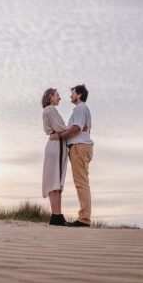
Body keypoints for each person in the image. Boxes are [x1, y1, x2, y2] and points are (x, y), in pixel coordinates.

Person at [50, 84, 93, 227]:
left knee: (81, 183)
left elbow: (76, 128)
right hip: (81, 147)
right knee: (82, 183)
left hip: (79, 148)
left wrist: (60, 135)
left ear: (79, 95)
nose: (70, 96)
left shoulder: (81, 108)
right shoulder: (81, 109)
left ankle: (84, 219)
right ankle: (84, 217)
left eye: (73, 93)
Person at [40, 87, 70, 226]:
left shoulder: (49, 110)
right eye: (57, 95)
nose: (59, 97)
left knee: (55, 182)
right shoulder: (50, 109)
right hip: (56, 145)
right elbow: (61, 127)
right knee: (55, 182)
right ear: (50, 96)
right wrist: (75, 128)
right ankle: (56, 216)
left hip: (56, 144)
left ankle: (57, 215)